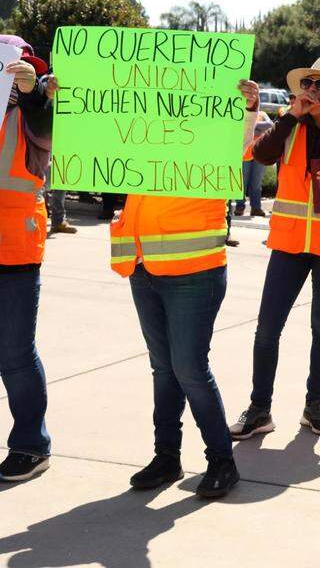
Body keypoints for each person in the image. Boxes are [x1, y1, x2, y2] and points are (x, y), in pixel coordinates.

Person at [108, 81, 259, 498]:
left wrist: (247, 109)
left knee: (189, 367)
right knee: (164, 368)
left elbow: (239, 146)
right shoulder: (141, 126)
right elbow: (95, 135)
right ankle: (166, 456)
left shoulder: (209, 130)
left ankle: (222, 461)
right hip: (143, 266)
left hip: (195, 272)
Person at [229, 58, 320, 440]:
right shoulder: (289, 126)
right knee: (267, 328)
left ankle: (314, 405)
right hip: (289, 245)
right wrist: (291, 116)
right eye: (307, 83)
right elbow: (260, 156)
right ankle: (259, 409)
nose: (311, 90)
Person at [0, 36, 56, 482]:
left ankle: (31, 446)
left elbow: (47, 131)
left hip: (16, 246)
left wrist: (34, 94)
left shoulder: (35, 112)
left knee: (15, 352)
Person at [234, 110, 274, 217]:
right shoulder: (241, 112)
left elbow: (270, 125)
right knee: (242, 182)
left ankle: (256, 208)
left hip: (259, 154)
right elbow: (240, 127)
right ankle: (239, 207)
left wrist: (251, 126)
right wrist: (258, 130)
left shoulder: (262, 114)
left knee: (256, 183)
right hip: (244, 154)